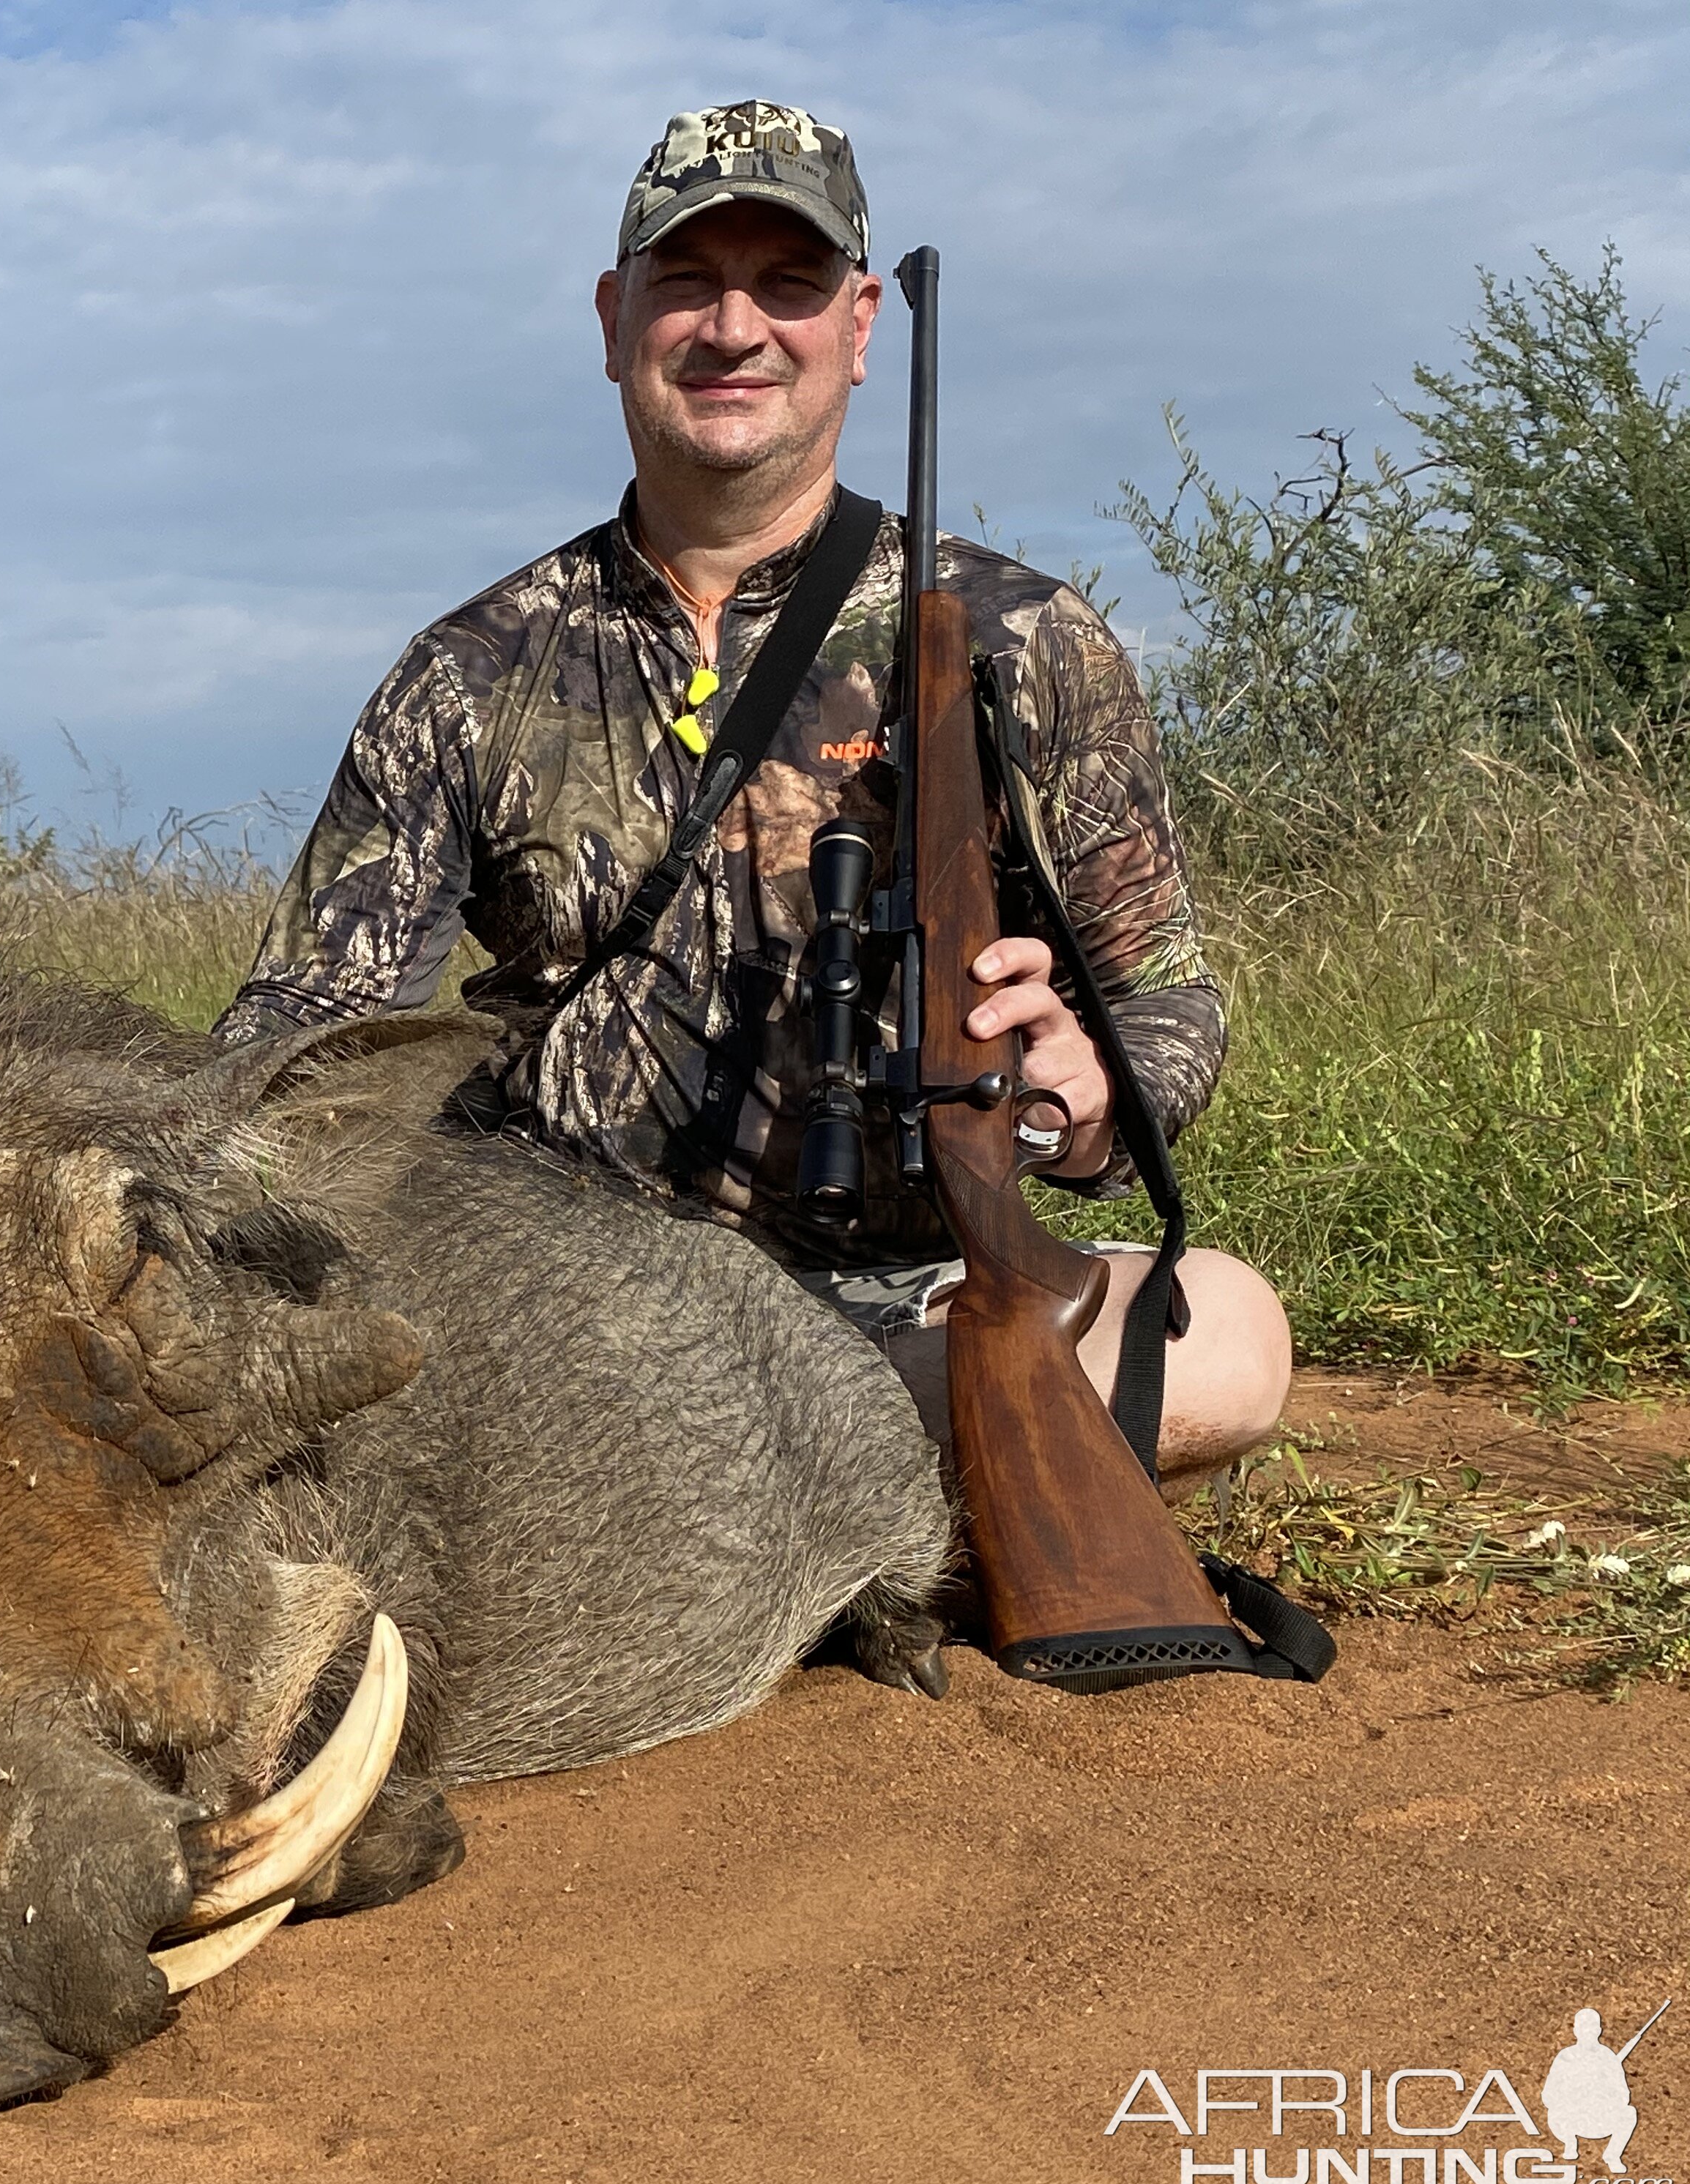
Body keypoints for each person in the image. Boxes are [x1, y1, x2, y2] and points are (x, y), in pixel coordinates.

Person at [213, 100, 1290, 1485]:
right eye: (686, 282)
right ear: (613, 321)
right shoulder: (468, 668)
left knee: (1229, 1341)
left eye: (784, 285)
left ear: (855, 326)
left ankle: (711, 1516)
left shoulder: (1022, 636)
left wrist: (1091, 1086)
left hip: (914, 1291)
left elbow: (1167, 989)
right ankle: (851, 1512)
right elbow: (296, 1030)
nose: (733, 329)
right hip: (569, 1315)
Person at [1544, 2008, 1643, 2173]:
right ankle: (1570, 2143)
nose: (1587, 2031)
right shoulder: (1565, 2057)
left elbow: (1623, 2095)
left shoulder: (1608, 2057)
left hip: (1600, 2118)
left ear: (1599, 2030)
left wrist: (1603, 2096)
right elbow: (1549, 2094)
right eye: (1583, 2026)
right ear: (1576, 2030)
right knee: (1555, 2111)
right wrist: (1573, 2095)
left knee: (1629, 2113)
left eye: (1592, 2027)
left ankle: (1612, 2155)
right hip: (1571, 2119)